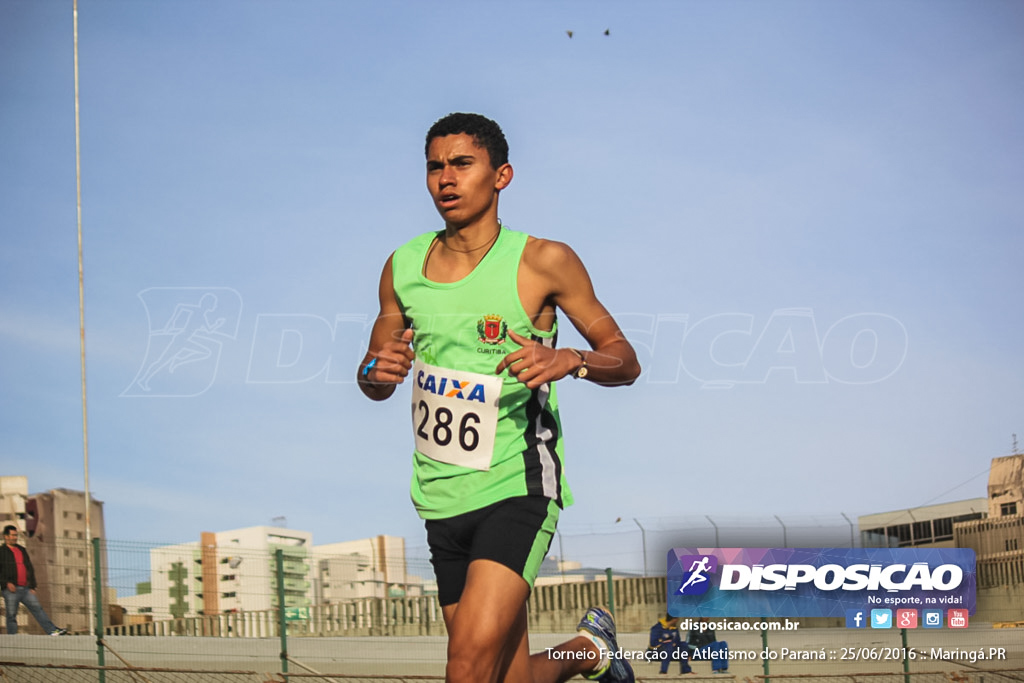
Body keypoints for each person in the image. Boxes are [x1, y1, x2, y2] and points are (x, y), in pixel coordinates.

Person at [357, 112, 641, 683]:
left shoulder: (543, 261)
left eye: (462, 164)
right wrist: (375, 370)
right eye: (435, 167)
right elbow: (373, 378)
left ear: (501, 175)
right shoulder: (402, 267)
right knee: (506, 679)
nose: (446, 179)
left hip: (518, 485)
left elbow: (624, 357)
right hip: (438, 495)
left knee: (465, 669)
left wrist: (571, 360)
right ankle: (589, 651)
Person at [1, 525, 67, 635]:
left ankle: (52, 631)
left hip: (26, 589)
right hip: (11, 589)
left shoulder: (21, 550)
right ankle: (11, 637)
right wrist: (6, 583)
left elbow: (29, 567)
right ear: (6, 536)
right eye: (12, 535)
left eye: (16, 535)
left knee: (38, 609)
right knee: (11, 614)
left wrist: (32, 585)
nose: (15, 537)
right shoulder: (2, 551)